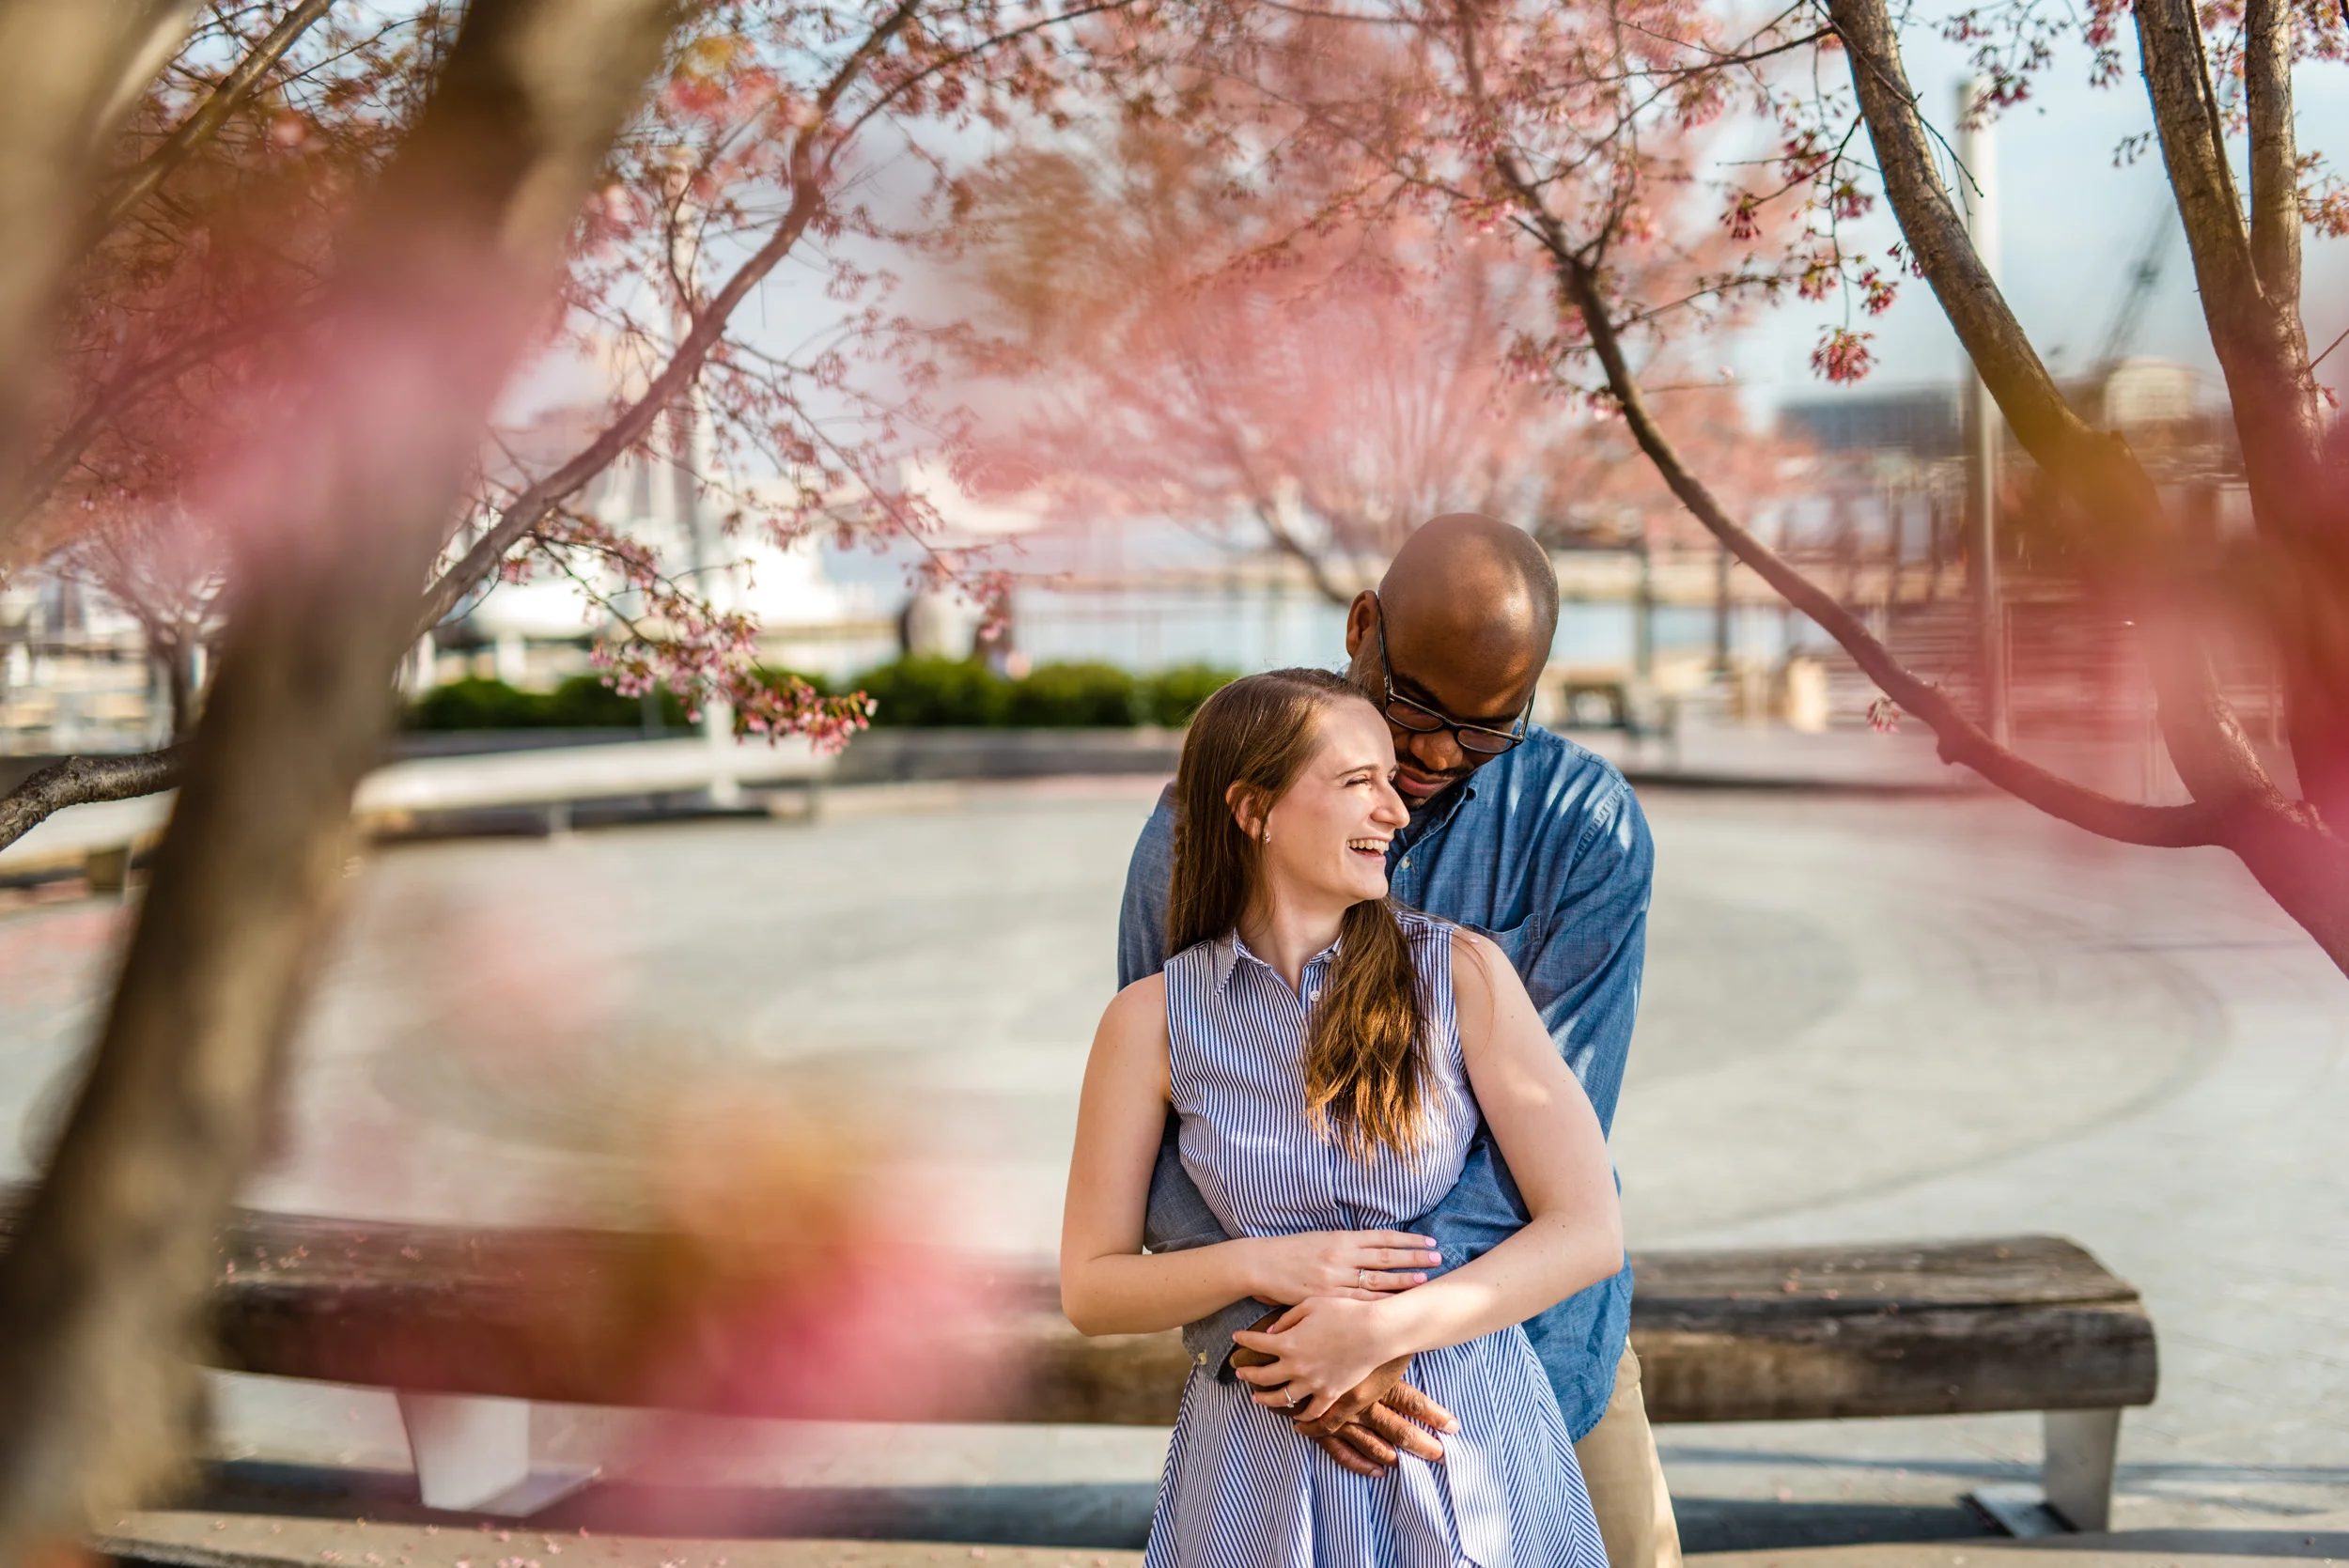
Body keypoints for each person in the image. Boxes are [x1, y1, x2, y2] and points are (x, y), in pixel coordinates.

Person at [1118, 514, 1678, 1566]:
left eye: (1483, 729)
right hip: (1279, 1388)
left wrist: (1383, 1334)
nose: (1431, 753)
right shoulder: (1196, 832)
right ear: (1362, 623)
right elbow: (1165, 1132)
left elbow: (1546, 1156)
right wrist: (1296, 1349)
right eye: (1415, 704)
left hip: (1537, 1357)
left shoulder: (1584, 830)